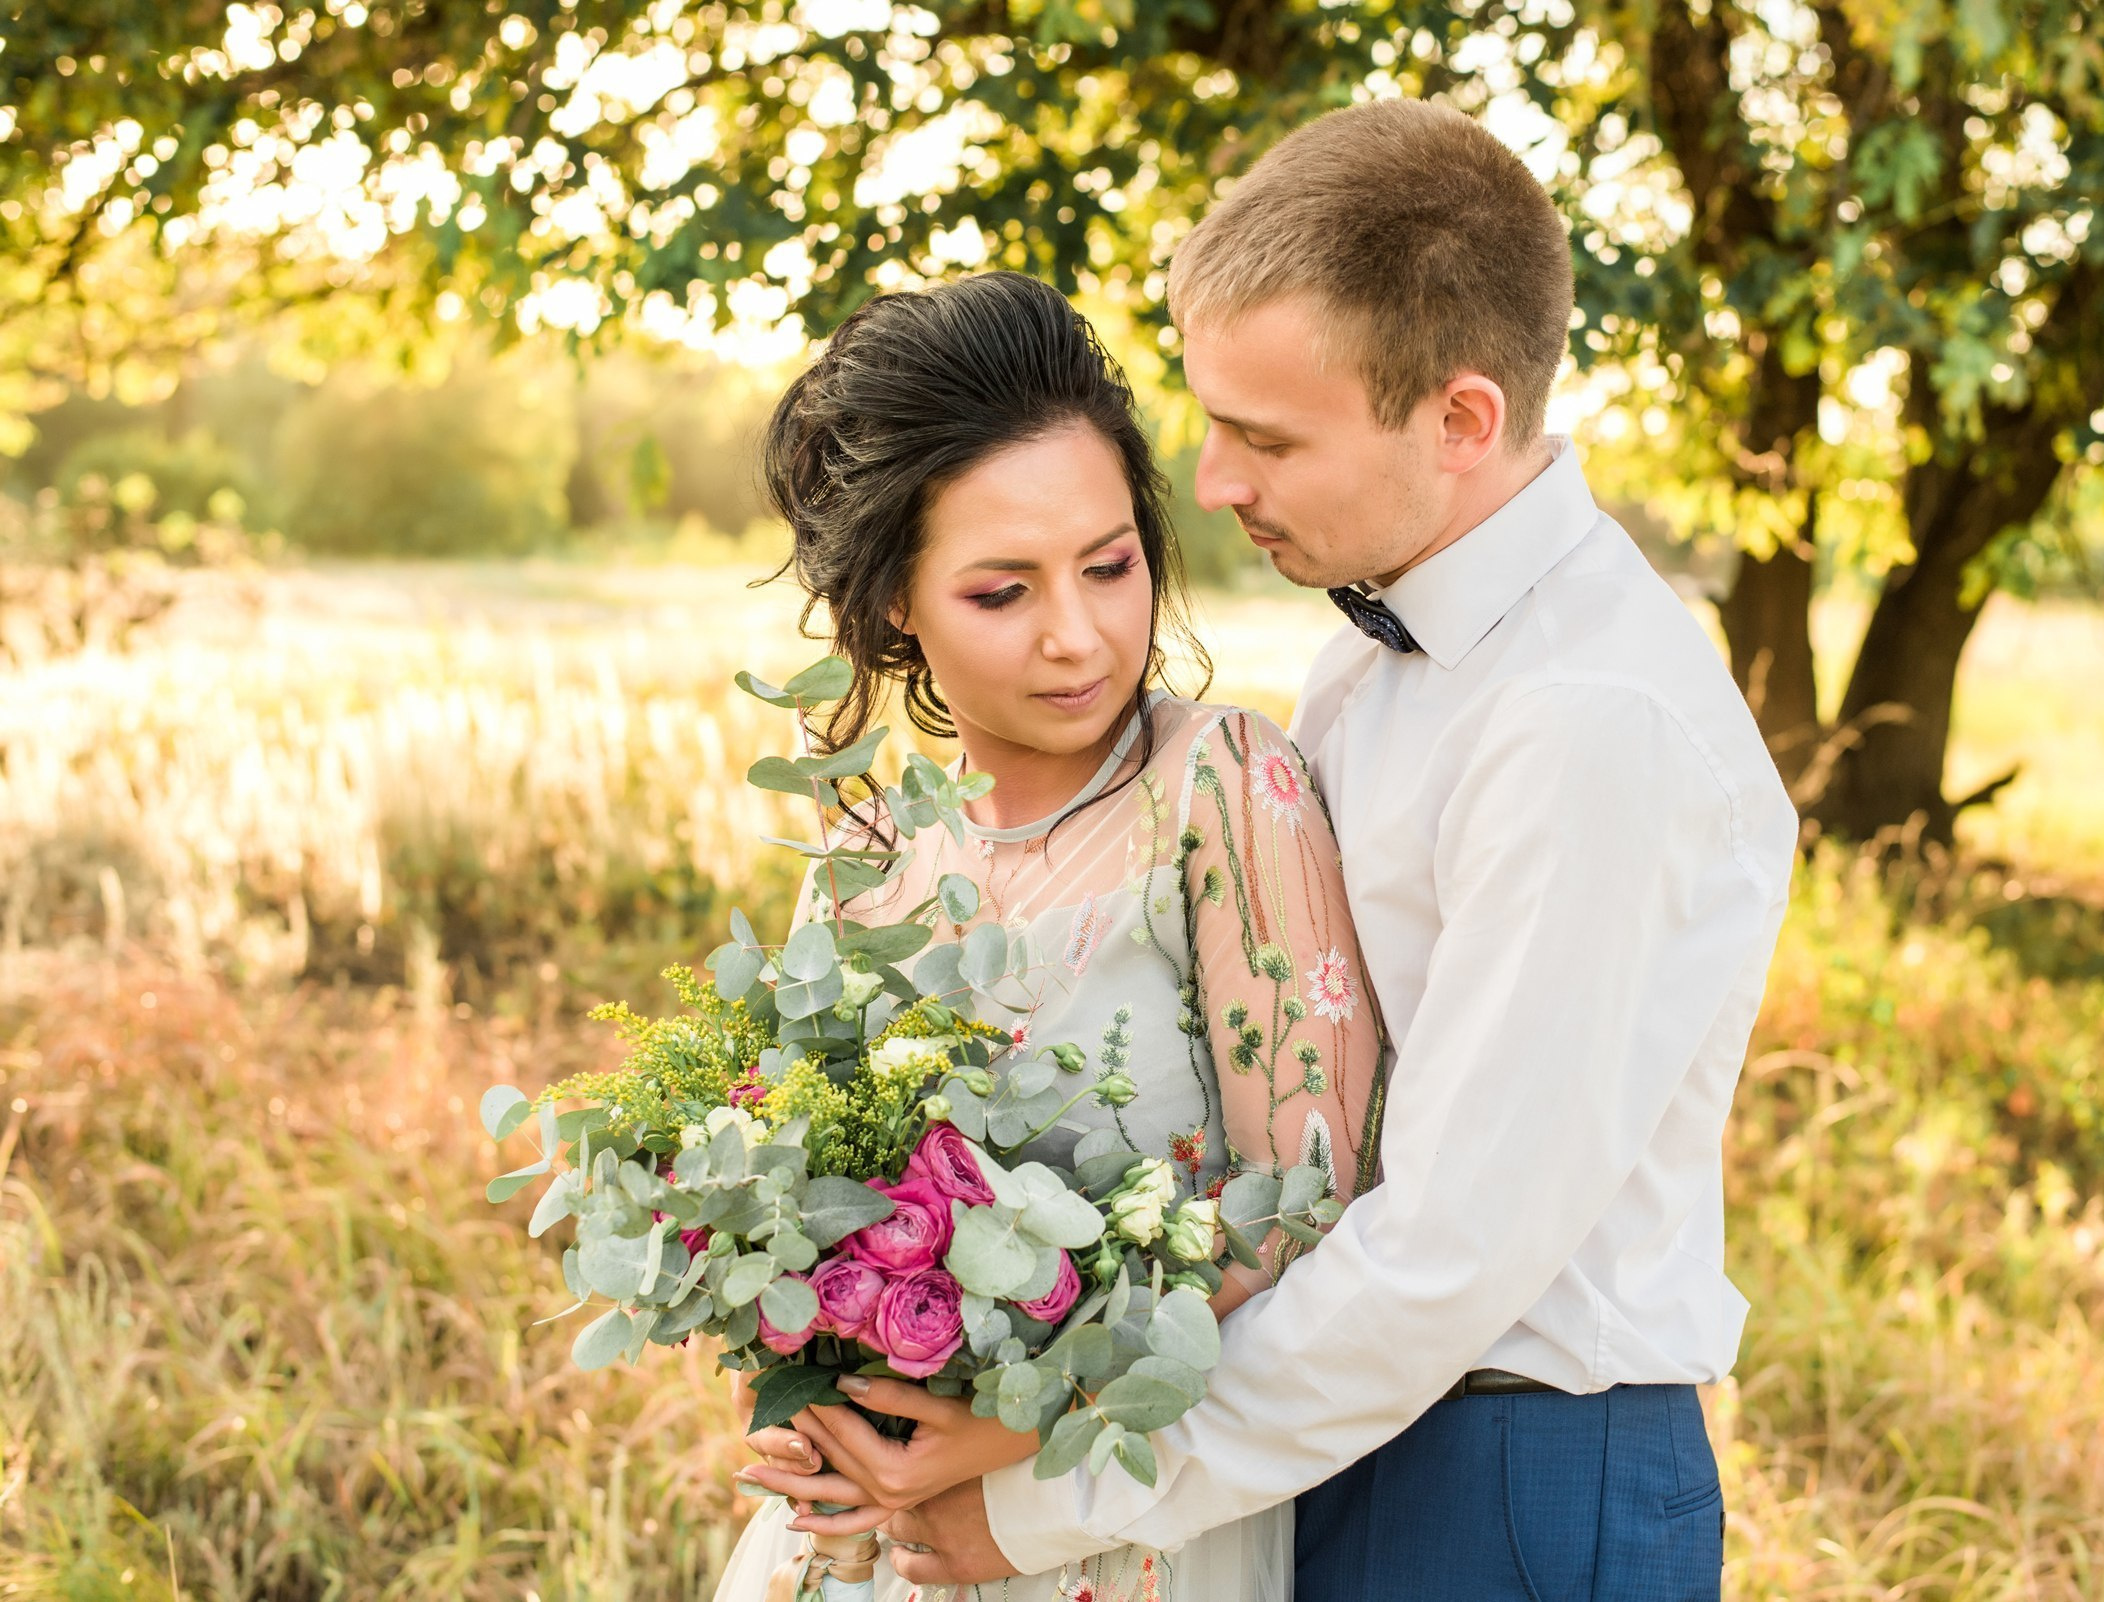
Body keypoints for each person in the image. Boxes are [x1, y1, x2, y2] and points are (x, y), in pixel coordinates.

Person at [797, 99, 1801, 1601]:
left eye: (1265, 436)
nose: (1207, 483)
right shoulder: (1378, 654)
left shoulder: (1593, 723)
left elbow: (1449, 1253)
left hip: (1513, 1475)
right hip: (1328, 1441)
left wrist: (1034, 1506)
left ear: (1460, 421)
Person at [715, 269, 1386, 1602]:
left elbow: (1309, 1201)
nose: (1078, 636)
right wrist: (806, 1378)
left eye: (1110, 563)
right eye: (1000, 591)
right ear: (897, 601)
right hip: (864, 1539)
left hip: (1118, 1513)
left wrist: (1022, 1423)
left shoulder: (1222, 790)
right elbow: (781, 1198)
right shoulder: (860, 856)